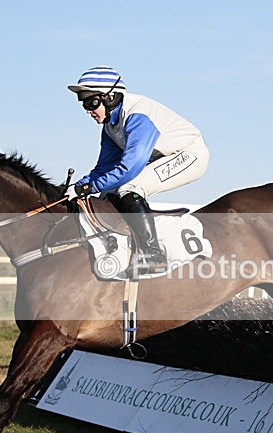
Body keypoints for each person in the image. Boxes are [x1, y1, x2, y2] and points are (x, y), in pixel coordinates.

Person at [66, 66, 209, 276]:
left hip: (190, 154)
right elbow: (104, 168)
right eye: (84, 103)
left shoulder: (137, 115)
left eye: (91, 102)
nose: (88, 109)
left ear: (111, 97)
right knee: (107, 195)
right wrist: (78, 186)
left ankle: (153, 255)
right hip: (163, 156)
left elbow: (129, 167)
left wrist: (90, 186)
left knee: (129, 188)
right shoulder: (109, 126)